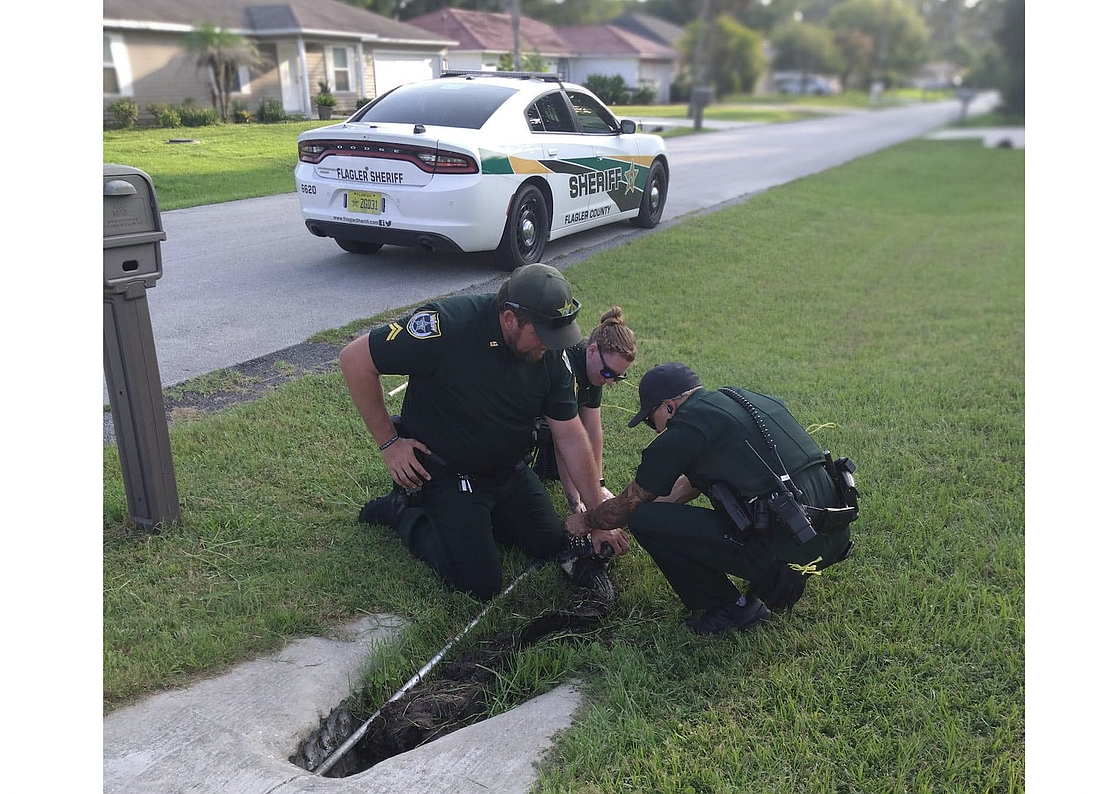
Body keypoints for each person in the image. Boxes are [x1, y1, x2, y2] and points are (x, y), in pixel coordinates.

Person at [340, 263, 630, 601]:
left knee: (549, 542)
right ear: (510, 319)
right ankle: (404, 512)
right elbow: (355, 359)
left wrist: (597, 516)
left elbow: (571, 436)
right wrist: (389, 443)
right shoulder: (448, 326)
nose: (551, 346)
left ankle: (478, 522)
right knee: (479, 583)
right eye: (543, 335)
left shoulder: (553, 355)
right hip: (449, 471)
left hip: (509, 472)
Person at [566, 362, 857, 635]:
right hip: (831, 532)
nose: (655, 430)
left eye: (651, 420)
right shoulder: (744, 399)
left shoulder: (686, 428)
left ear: (669, 406)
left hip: (791, 543)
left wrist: (586, 520)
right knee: (654, 516)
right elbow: (687, 486)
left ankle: (732, 609)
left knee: (643, 518)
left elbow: (628, 507)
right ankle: (779, 572)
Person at [534, 308, 637, 513]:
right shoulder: (567, 368)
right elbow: (564, 442)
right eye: (608, 373)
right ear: (591, 350)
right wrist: (577, 504)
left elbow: (593, 430)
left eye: (617, 377)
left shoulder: (595, 369)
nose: (609, 382)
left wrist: (599, 484)